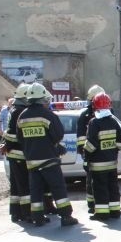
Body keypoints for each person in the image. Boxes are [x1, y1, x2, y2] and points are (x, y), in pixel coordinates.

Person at [16, 82, 78, 227]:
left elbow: (20, 139)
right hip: (49, 159)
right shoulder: (48, 115)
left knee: (36, 190)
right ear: (42, 99)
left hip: (32, 161)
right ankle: (66, 216)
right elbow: (58, 135)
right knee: (58, 187)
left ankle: (37, 217)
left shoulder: (22, 117)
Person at [84, 92, 121, 221]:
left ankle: (102, 213)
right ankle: (115, 211)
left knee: (99, 188)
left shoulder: (94, 122)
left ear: (95, 106)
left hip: (97, 164)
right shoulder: (113, 121)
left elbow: (91, 144)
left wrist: (86, 158)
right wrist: (113, 149)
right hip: (112, 163)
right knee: (113, 186)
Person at [0, 85, 31, 222]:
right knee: (23, 184)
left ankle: (16, 212)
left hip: (14, 153)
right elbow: (13, 134)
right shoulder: (20, 111)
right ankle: (26, 213)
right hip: (19, 154)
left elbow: (9, 133)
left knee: (16, 185)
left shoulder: (15, 109)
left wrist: (6, 144)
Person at [76, 84, 105, 214]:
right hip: (90, 152)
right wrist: (84, 151)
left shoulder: (106, 113)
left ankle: (104, 204)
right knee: (90, 179)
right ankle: (92, 204)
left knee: (103, 180)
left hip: (103, 152)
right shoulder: (85, 115)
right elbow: (81, 136)